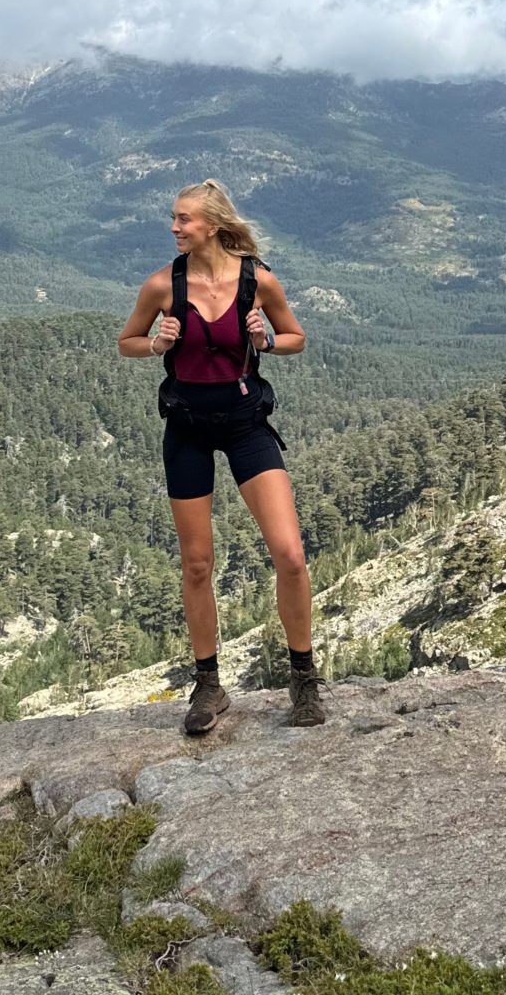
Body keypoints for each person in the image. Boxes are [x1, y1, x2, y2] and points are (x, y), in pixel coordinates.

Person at [119, 179, 324, 733]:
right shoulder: (164, 285)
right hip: (185, 428)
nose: (174, 227)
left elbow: (297, 336)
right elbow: (127, 342)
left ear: (211, 225)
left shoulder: (259, 281)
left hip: (245, 425)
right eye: (174, 218)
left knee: (290, 555)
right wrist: (157, 343)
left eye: (183, 219)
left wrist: (268, 341)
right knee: (197, 563)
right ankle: (209, 685)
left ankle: (304, 680)